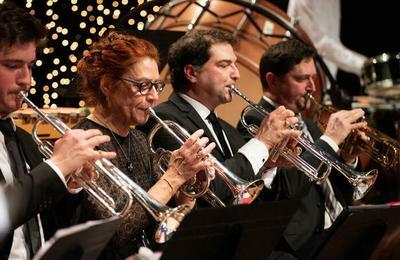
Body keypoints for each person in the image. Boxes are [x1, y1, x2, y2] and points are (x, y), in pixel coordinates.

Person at [73, 31, 215, 259]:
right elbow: (119, 230)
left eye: (156, 86)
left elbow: (161, 231)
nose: (153, 98)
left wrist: (187, 190)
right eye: (142, 86)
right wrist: (174, 177)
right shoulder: (82, 143)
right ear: (108, 85)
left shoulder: (139, 139)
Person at [0, 2, 116, 259]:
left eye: (30, 66)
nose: (26, 80)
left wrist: (69, 183)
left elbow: (43, 224)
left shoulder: (22, 139)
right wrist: (56, 168)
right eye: (12, 65)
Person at [237, 38, 368, 259]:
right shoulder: (256, 122)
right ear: (273, 81)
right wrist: (329, 141)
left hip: (339, 228)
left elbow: (338, 189)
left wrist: (348, 157)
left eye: (313, 78)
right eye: (301, 78)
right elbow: (287, 187)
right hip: (301, 243)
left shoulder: (308, 125)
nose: (312, 87)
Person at [137, 29, 301, 205]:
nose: (236, 74)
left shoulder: (228, 130)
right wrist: (262, 143)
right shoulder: (163, 119)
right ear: (191, 73)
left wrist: (268, 164)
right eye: (224, 65)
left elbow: (253, 198)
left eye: (234, 64)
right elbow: (205, 189)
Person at [287, 0, 367, 80]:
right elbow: (317, 43)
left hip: (326, 81)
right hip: (300, 78)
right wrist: (361, 64)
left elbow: (334, 42)